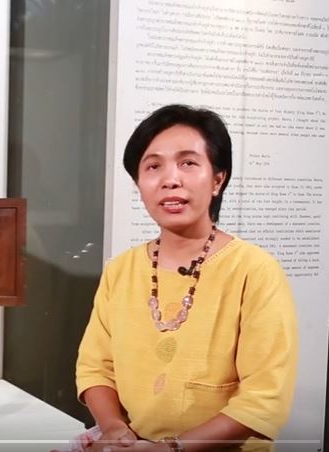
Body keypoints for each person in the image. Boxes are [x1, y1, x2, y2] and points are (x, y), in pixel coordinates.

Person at [75, 104, 298, 451]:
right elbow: (95, 368)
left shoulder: (254, 270)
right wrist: (115, 430)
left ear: (218, 179)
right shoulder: (121, 270)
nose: (170, 179)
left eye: (188, 163)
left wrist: (170, 449)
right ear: (138, 183)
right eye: (153, 166)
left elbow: (264, 397)